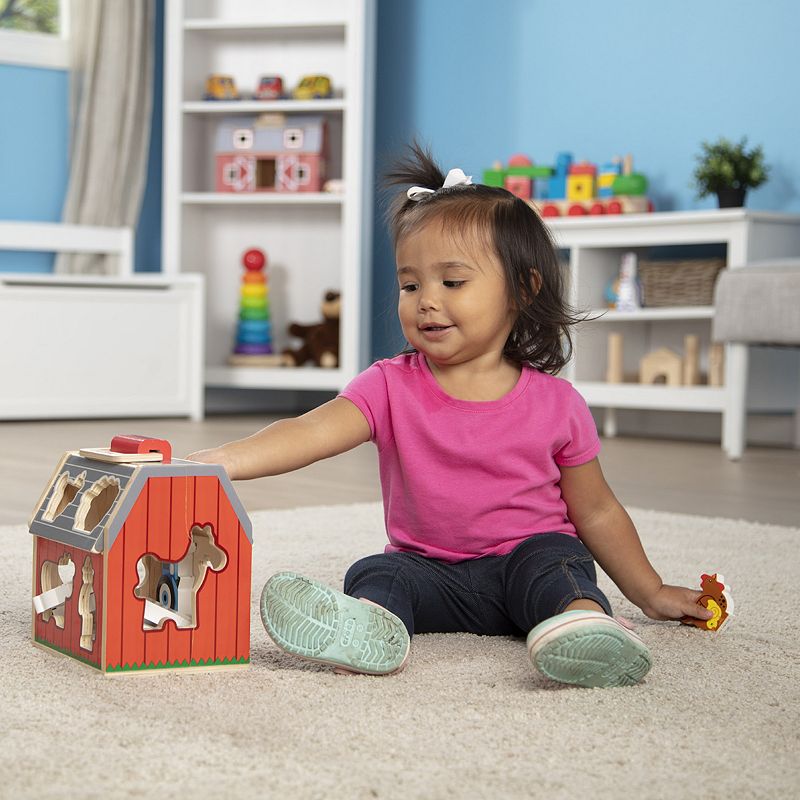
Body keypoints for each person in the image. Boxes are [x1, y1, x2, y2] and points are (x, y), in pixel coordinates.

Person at [189, 143, 712, 688]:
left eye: (452, 283)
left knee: (560, 566)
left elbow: (598, 512)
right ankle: (370, 629)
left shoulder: (558, 405)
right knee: (375, 572)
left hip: (524, 561)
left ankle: (583, 625)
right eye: (410, 284)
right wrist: (219, 461)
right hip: (428, 570)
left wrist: (649, 591)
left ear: (523, 288)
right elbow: (310, 430)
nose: (425, 301)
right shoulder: (389, 384)